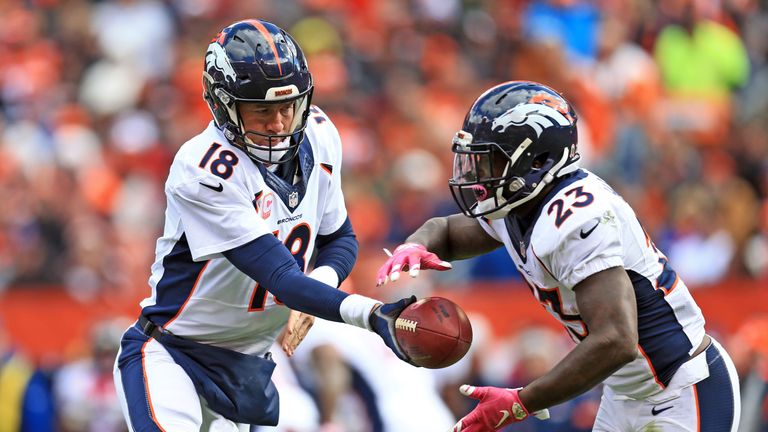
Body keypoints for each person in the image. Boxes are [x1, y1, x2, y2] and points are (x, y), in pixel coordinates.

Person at [377, 81, 741, 431]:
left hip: (681, 387)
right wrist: (415, 244)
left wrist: (523, 400)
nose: (478, 175)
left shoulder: (576, 216)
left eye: (492, 162)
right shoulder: (519, 204)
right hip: (624, 394)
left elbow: (616, 339)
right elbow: (451, 231)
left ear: (537, 162)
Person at [113, 19, 415, 432]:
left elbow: (339, 239)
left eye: (287, 107)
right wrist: (374, 315)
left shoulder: (322, 135)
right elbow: (281, 278)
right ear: (223, 104)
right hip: (176, 354)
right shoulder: (204, 168)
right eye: (262, 110)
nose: (278, 124)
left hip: (248, 368)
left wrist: (320, 289)